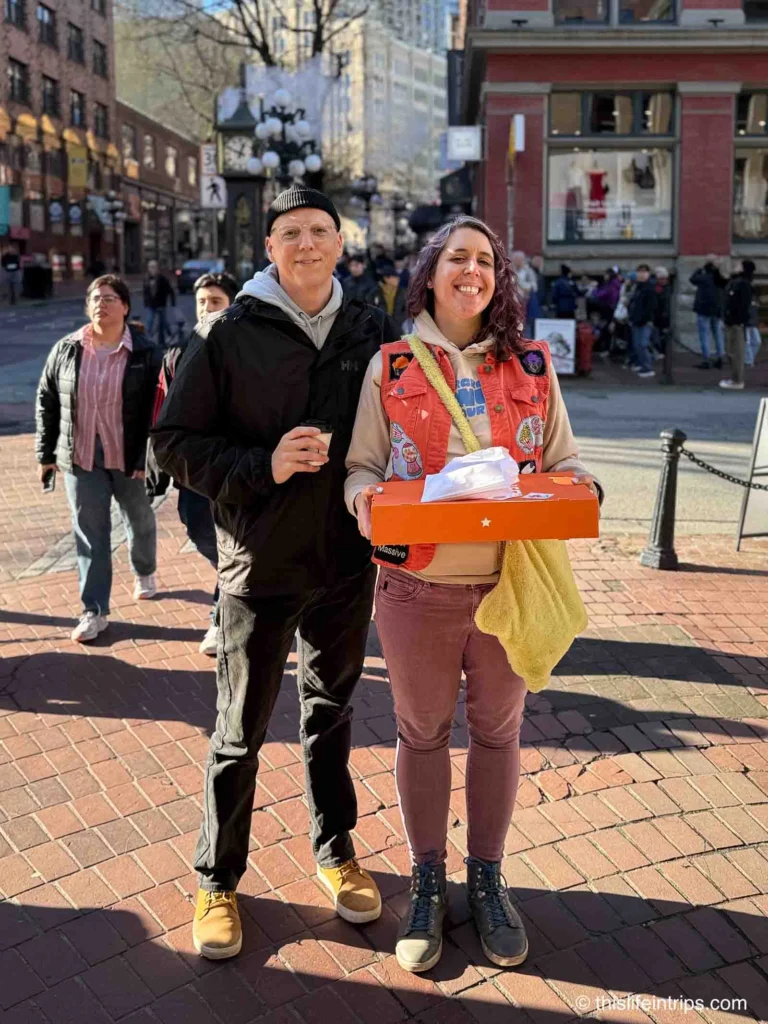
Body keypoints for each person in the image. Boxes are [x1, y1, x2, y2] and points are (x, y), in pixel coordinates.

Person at [346, 216, 600, 974]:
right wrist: (365, 501)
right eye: (457, 256)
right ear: (430, 272)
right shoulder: (390, 367)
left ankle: (486, 876)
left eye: (485, 260)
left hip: (510, 585)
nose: (472, 269)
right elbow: (360, 468)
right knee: (421, 733)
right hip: (415, 588)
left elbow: (564, 457)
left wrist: (580, 486)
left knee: (499, 732)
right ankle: (428, 878)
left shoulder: (531, 362)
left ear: (498, 277)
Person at [151, 186, 398, 961]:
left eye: (320, 231)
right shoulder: (229, 332)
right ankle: (218, 878)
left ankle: (335, 851)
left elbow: (404, 427)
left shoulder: (368, 327)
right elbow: (172, 443)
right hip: (259, 564)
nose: (307, 244)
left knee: (332, 715)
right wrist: (265, 465)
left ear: (339, 243)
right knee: (239, 731)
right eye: (291, 233)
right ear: (270, 247)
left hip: (345, 560)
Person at [35, 275, 161, 643]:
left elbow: (158, 410)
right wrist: (45, 453)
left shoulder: (146, 353)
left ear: (125, 306)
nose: (100, 304)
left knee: (139, 519)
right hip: (81, 455)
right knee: (90, 533)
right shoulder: (67, 349)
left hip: (130, 456)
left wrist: (147, 458)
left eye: (109, 298)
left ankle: (145, 569)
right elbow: (47, 399)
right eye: (94, 298)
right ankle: (94, 610)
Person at [149, 271, 239, 655]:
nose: (206, 308)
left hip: (236, 467)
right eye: (202, 302)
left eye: (215, 301)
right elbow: (161, 416)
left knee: (235, 542)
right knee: (200, 530)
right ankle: (235, 587)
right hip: (193, 471)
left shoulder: (249, 351)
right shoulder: (178, 354)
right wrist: (155, 472)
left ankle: (222, 616)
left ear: (232, 304)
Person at [720, 259, 755, 391]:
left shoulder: (744, 284)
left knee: (737, 352)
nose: (735, 265)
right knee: (730, 351)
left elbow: (743, 305)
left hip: (737, 323)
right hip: (730, 322)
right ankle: (734, 378)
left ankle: (737, 380)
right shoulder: (735, 281)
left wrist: (738, 320)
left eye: (739, 265)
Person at [690, 257, 727, 370]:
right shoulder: (720, 279)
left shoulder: (704, 277)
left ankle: (707, 359)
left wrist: (699, 269)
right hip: (717, 311)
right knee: (718, 334)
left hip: (704, 309)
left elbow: (692, 279)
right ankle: (720, 357)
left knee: (704, 335)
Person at [627, 264, 657, 379]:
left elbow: (651, 306)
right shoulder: (638, 287)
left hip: (644, 321)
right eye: (639, 271)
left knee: (643, 344)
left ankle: (647, 367)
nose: (641, 274)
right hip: (636, 319)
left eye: (644, 272)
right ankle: (640, 364)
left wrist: (645, 319)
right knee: (637, 345)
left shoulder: (650, 287)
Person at [143, 259, 176, 347]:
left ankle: (163, 341)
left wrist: (173, 303)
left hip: (161, 304)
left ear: (158, 269)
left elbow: (170, 291)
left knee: (163, 323)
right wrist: (145, 302)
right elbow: (145, 292)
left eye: (154, 267)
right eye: (150, 267)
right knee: (149, 321)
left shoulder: (163, 279)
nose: (152, 269)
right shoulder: (146, 279)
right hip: (151, 305)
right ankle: (147, 339)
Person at [372, 261, 408, 333]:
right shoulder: (375, 293)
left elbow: (407, 309)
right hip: (380, 328)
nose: (398, 279)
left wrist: (397, 320)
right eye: (394, 277)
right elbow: (372, 310)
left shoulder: (403, 292)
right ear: (386, 278)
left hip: (398, 327)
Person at [652, 266, 672, 360]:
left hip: (663, 316)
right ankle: (658, 350)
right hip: (656, 315)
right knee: (656, 335)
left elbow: (665, 302)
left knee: (662, 335)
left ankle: (661, 351)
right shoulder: (656, 287)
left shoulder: (666, 289)